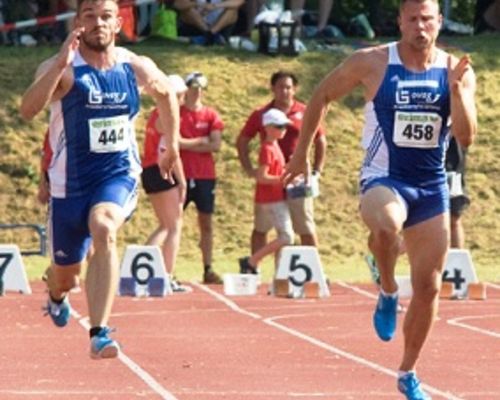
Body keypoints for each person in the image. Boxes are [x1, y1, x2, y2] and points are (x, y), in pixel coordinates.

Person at [283, 0, 477, 397]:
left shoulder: (456, 70)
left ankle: (408, 373)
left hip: (431, 186)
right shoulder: (372, 61)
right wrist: (302, 152)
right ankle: (387, 289)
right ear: (400, 21)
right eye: (412, 19)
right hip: (383, 178)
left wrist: (456, 91)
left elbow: (466, 136)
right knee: (387, 226)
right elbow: (321, 94)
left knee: (428, 287)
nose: (420, 27)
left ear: (439, 23)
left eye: (427, 19)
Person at [19, 0, 180, 360]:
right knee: (67, 276)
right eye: (89, 16)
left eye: (105, 16)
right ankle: (56, 293)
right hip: (68, 186)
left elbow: (167, 93)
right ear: (77, 23)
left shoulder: (134, 66)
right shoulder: (63, 68)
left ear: (118, 23)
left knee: (104, 227)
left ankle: (99, 332)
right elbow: (28, 110)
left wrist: (171, 145)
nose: (97, 23)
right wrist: (60, 63)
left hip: (117, 175)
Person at [237, 70, 326, 256]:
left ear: (294, 89)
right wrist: (249, 169)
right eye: (280, 87)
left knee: (305, 225)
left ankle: (313, 269)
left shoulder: (305, 111)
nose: (284, 91)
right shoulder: (262, 114)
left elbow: (320, 139)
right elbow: (243, 139)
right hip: (272, 177)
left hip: (298, 178)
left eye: (288, 87)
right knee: (262, 226)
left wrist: (317, 171)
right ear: (272, 88)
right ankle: (255, 271)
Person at [141, 74, 189, 292]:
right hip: (161, 170)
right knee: (173, 226)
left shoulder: (155, 114)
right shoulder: (168, 115)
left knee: (164, 225)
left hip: (149, 169)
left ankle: (138, 264)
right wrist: (182, 181)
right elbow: (171, 152)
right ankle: (166, 275)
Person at [180, 71, 224, 284]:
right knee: (173, 222)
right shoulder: (177, 113)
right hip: (180, 174)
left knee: (206, 223)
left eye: (200, 89)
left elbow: (216, 144)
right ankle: (168, 267)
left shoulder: (211, 115)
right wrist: (200, 141)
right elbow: (174, 142)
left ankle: (208, 268)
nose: (197, 92)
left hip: (205, 175)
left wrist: (188, 143)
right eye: (193, 88)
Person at [239, 108, 294, 275]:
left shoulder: (273, 146)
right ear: (268, 128)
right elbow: (262, 177)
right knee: (286, 237)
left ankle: (279, 274)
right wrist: (282, 180)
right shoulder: (267, 149)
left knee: (276, 235)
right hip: (271, 199)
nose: (283, 130)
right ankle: (252, 260)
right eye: (279, 126)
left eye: (284, 126)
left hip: (271, 198)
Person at [171, 0, 244, 45]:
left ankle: (211, 34)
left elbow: (238, 1)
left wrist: (215, 6)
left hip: (219, 21)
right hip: (198, 21)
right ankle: (209, 35)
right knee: (187, 11)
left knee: (232, 11)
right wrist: (198, 4)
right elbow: (178, 4)